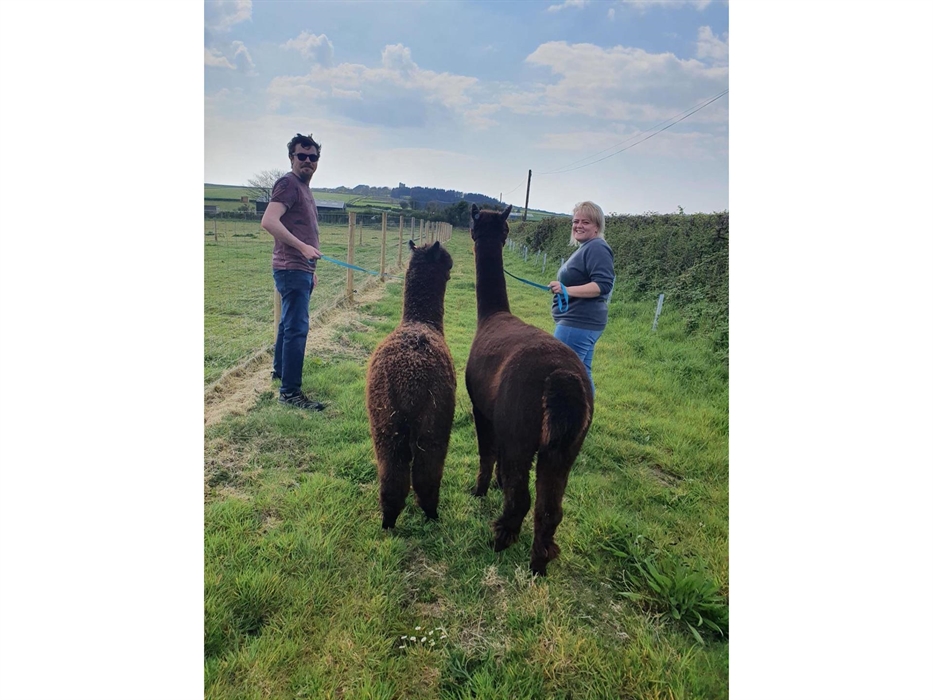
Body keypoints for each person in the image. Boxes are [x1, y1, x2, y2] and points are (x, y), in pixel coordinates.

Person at [261, 133, 326, 410]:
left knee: (287, 325)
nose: (307, 160)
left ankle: (280, 373)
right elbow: (269, 221)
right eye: (302, 155)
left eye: (313, 157)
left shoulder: (303, 188)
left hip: (300, 269)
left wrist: (310, 268)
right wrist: (302, 248)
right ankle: (290, 393)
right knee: (297, 329)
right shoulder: (288, 183)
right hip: (290, 268)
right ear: (291, 158)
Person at [547, 201, 615, 395]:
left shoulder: (597, 247)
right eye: (576, 221)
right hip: (581, 322)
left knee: (561, 373)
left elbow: (603, 285)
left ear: (597, 227)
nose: (578, 226)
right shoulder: (586, 247)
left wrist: (566, 290)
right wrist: (562, 288)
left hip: (578, 322)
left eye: (586, 222)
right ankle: (586, 412)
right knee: (582, 372)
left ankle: (565, 412)